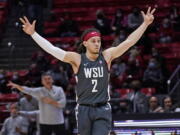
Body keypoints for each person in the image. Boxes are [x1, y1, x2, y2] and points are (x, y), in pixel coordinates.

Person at [18, 7, 156, 135]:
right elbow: (53, 50)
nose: (97, 44)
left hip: (102, 108)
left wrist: (144, 24)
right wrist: (33, 34)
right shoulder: (77, 59)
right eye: (93, 41)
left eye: (99, 41)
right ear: (85, 43)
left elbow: (129, 42)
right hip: (84, 109)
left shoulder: (107, 56)